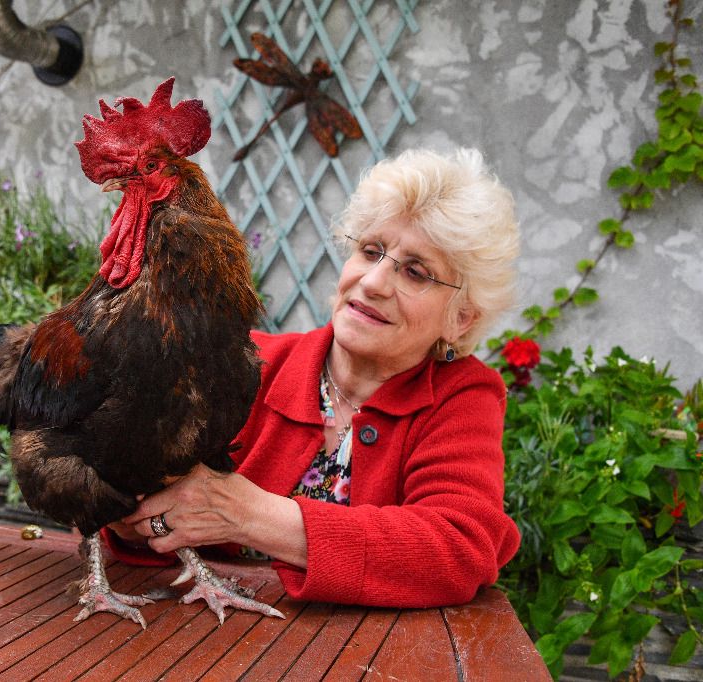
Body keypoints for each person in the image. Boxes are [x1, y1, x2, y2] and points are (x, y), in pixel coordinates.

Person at [105, 147, 522, 608]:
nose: (373, 282)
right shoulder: (244, 363)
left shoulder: (460, 396)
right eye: (371, 252)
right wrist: (142, 520)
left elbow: (458, 549)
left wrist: (249, 515)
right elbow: (145, 508)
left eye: (415, 272)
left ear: (460, 318)